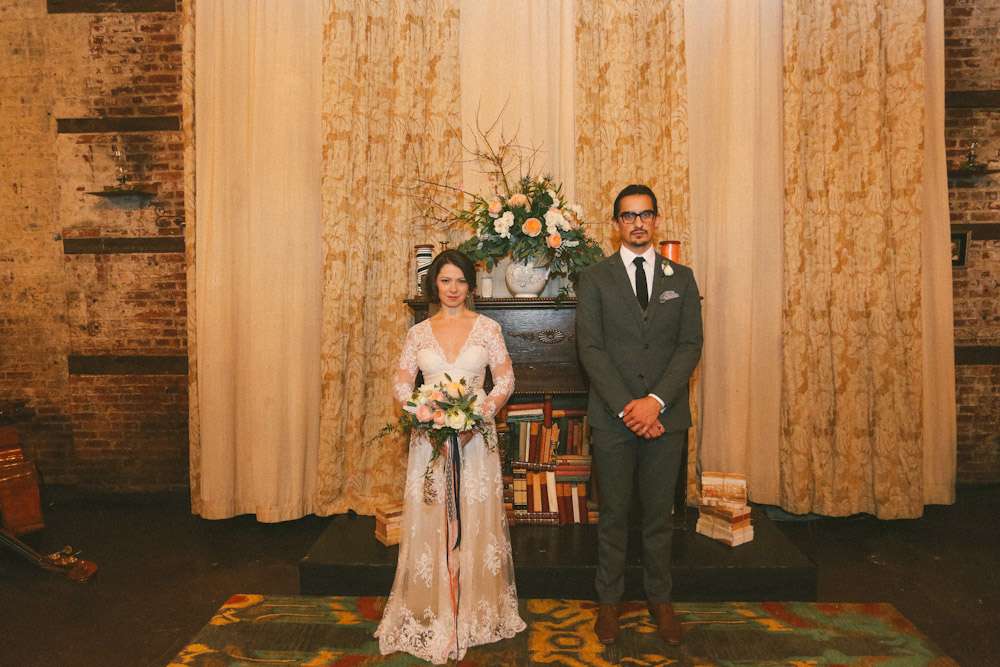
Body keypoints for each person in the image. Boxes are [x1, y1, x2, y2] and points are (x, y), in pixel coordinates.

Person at [375, 249, 526, 664]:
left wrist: (480, 412)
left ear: (470, 287)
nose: (453, 288)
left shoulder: (489, 329)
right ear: (435, 285)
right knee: (433, 517)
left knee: (472, 518)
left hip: (476, 440)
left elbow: (506, 379)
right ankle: (436, 609)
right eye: (445, 280)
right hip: (431, 442)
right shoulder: (418, 333)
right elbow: (402, 382)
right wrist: (422, 411)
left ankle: (472, 612)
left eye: (460, 281)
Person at [575, 184, 703, 647]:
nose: (637, 223)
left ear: (657, 220)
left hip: (666, 418)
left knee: (658, 516)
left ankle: (660, 600)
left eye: (645, 214)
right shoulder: (594, 278)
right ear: (616, 225)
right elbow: (590, 348)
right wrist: (629, 407)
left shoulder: (681, 278)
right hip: (613, 418)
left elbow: (690, 345)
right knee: (612, 514)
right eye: (628, 216)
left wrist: (656, 402)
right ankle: (609, 602)